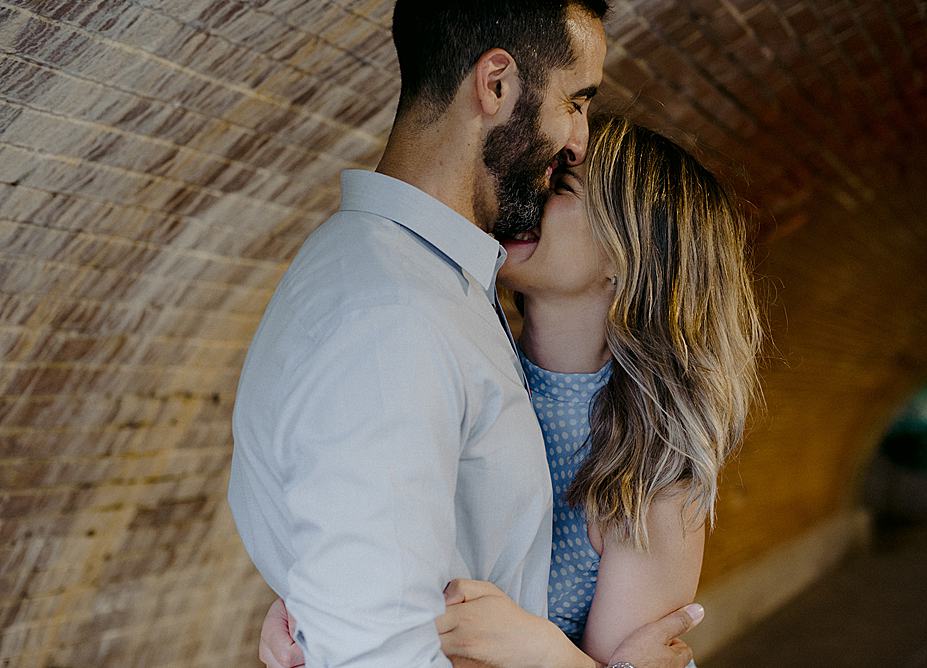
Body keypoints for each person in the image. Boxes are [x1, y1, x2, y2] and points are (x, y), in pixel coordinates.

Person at [228, 0, 700, 665]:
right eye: (575, 102)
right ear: (496, 84)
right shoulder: (395, 317)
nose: (578, 139)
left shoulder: (440, 285)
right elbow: (376, 651)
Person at [258, 113, 763, 666]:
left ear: (629, 256)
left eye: (561, 185)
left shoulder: (650, 466)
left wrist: (541, 652)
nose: (529, 193)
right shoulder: (447, 348)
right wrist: (316, 607)